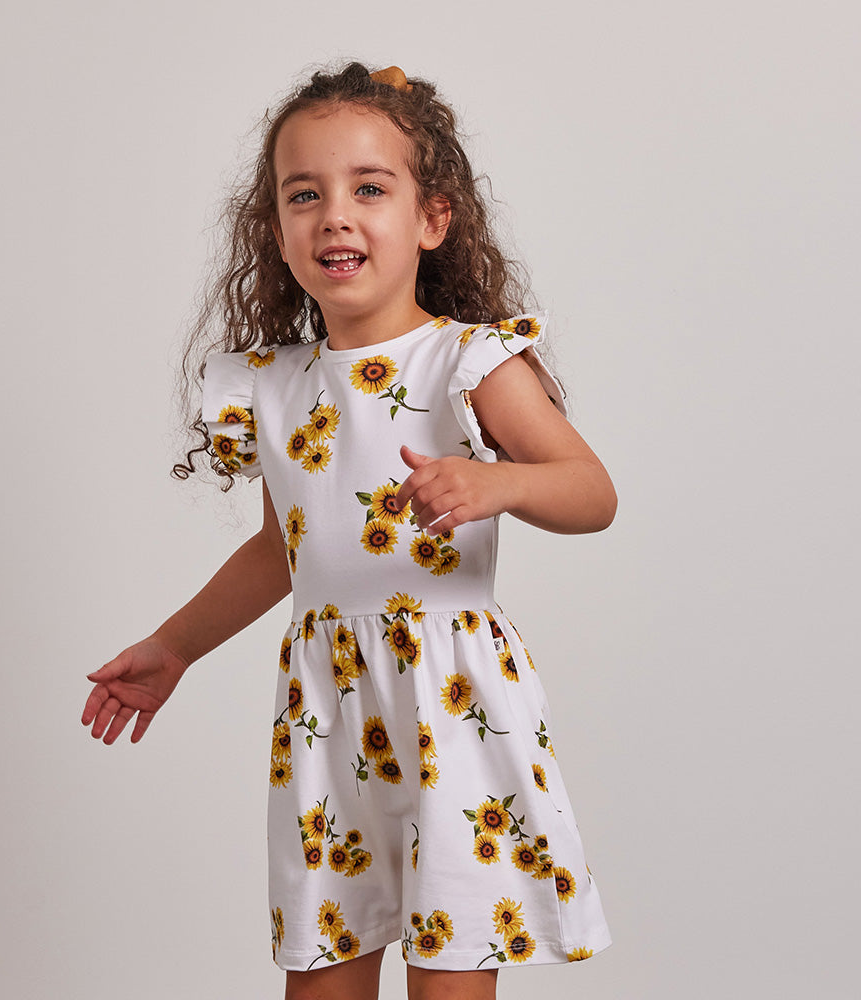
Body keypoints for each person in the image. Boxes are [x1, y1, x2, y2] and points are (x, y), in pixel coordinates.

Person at [81, 61, 617, 1000]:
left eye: (369, 189)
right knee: (323, 970)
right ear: (276, 231)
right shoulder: (274, 385)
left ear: (432, 218)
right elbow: (279, 552)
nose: (335, 216)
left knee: (451, 969)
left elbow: (590, 492)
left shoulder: (468, 361)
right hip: (328, 712)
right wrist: (173, 647)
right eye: (305, 195)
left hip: (452, 701)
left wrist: (497, 482)